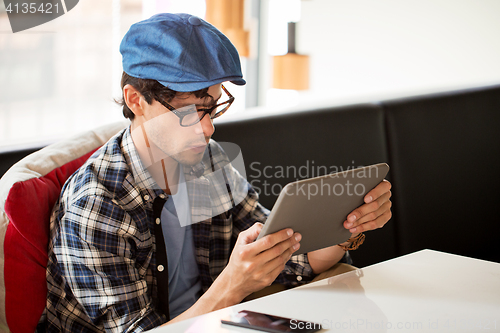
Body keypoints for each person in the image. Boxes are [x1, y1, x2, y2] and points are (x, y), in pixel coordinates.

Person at [38, 13, 392, 332]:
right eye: (190, 112)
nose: (207, 130)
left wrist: (346, 228)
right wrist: (234, 284)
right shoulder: (96, 205)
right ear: (135, 100)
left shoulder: (208, 162)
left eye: (213, 108)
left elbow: (290, 259)